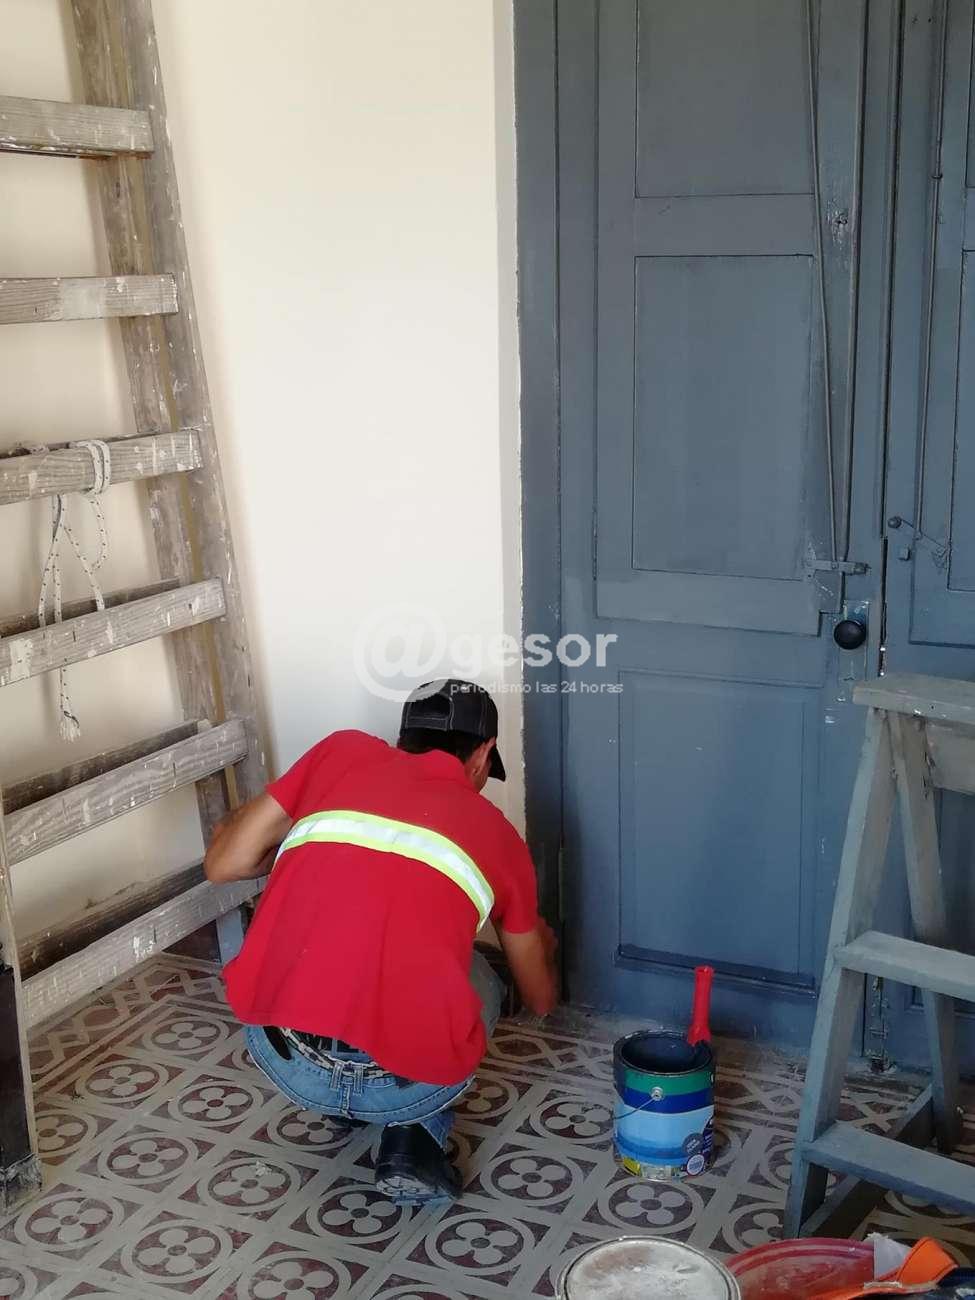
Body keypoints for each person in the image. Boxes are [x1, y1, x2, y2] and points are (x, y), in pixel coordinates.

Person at [204, 678, 558, 1204]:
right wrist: (545, 944)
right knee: (479, 973)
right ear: (483, 755)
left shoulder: (340, 754)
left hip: (285, 1058)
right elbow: (539, 998)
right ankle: (413, 1140)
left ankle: (337, 1098)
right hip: (408, 1085)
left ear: (403, 737)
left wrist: (297, 856)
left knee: (338, 942)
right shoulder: (497, 832)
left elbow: (223, 864)